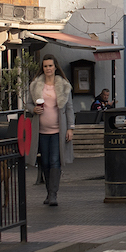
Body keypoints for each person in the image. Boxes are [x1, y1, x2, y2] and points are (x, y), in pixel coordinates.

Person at [26, 56, 74, 206]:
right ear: (43, 68)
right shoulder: (35, 85)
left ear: (55, 67)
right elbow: (27, 105)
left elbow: (70, 108)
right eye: (45, 66)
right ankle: (48, 192)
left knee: (55, 161)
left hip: (58, 131)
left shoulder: (64, 85)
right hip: (40, 131)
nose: (48, 68)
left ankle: (53, 194)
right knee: (45, 162)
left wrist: (71, 128)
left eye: (50, 66)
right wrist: (33, 109)